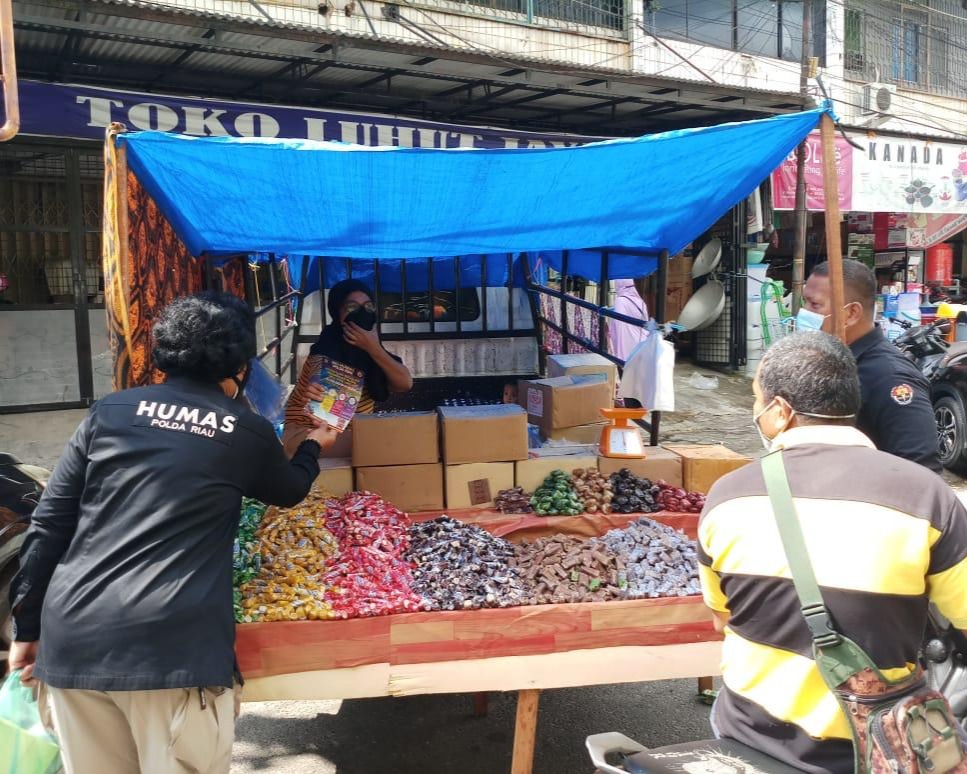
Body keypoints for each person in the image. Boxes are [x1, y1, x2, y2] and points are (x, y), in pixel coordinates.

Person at [8, 291, 337, 774]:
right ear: (241, 366)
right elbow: (288, 491)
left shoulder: (109, 413)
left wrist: (27, 628)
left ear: (164, 352)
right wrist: (312, 446)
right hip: (173, 649)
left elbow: (49, 526)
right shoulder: (242, 429)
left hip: (74, 640)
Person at [698, 331, 967, 773]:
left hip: (748, 734)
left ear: (780, 411)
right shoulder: (927, 497)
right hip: (875, 745)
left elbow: (721, 617)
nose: (755, 412)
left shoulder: (726, 497)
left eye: (755, 400)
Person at [802, 259, 941, 473]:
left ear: (851, 314)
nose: (804, 312)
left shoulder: (890, 377)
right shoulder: (830, 361)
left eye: (814, 304)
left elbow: (921, 471)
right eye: (805, 303)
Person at [283, 279, 413, 457]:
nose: (362, 314)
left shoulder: (372, 352)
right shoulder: (326, 352)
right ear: (337, 313)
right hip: (307, 435)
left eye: (368, 307)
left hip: (346, 433)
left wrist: (373, 347)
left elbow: (405, 383)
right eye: (352, 308)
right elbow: (324, 416)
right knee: (389, 448)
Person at [608, 278, 649, 362]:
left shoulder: (620, 301)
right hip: (642, 346)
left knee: (626, 373)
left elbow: (618, 325)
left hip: (627, 348)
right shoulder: (640, 301)